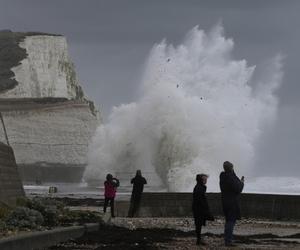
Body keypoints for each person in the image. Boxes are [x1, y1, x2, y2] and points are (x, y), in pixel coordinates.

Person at [219, 161, 244, 247]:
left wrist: (232, 173)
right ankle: (228, 241)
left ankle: (227, 239)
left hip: (225, 202)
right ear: (231, 168)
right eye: (232, 168)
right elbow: (238, 189)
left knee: (228, 221)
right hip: (232, 203)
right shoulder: (230, 178)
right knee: (231, 221)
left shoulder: (222, 176)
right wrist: (242, 183)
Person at [192, 174, 214, 245]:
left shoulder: (200, 187)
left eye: (206, 179)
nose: (206, 180)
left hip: (198, 209)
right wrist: (205, 209)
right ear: (201, 180)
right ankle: (198, 240)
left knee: (199, 224)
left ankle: (199, 240)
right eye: (204, 179)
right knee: (198, 224)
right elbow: (200, 200)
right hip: (199, 209)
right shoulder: (199, 188)